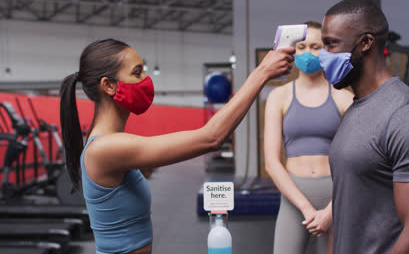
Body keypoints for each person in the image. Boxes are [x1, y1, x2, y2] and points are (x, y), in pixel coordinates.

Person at [59, 38, 295, 254]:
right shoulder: (105, 148)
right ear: (109, 86)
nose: (146, 81)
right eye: (137, 73)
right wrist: (262, 73)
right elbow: (211, 138)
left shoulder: (111, 143)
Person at [319, 0, 409, 253]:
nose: (322, 56)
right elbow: (345, 217)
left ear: (365, 42)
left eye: (331, 44)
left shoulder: (407, 116)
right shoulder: (356, 109)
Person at [264, 21, 353, 254]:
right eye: (301, 47)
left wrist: (329, 212)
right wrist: (306, 208)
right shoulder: (278, 97)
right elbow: (272, 163)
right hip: (294, 196)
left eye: (315, 46)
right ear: (293, 50)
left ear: (326, 50)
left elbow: (355, 162)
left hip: (335, 195)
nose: (308, 53)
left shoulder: (344, 98)